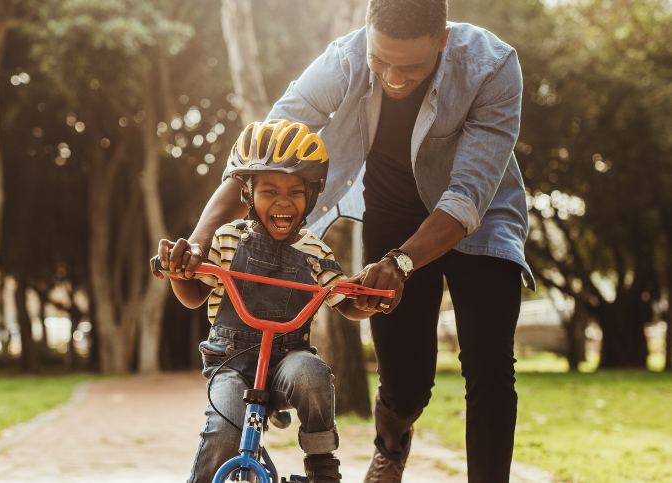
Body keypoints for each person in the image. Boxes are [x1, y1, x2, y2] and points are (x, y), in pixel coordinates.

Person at [155, 0, 536, 481]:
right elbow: (267, 149)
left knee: (489, 362)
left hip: (479, 217)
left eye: (411, 66)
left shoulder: (493, 66)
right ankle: (392, 446)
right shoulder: (344, 59)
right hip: (394, 213)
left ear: (443, 40)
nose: (394, 79)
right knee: (406, 381)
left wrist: (400, 264)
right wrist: (201, 238)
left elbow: (465, 198)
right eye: (382, 62)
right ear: (367, 35)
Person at [154, 120, 381, 483]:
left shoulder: (314, 251)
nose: (283, 201)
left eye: (295, 191)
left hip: (286, 362)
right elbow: (195, 296)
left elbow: (344, 300)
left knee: (312, 374)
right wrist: (180, 274)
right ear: (247, 193)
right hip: (231, 362)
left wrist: (366, 300)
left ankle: (322, 465)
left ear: (312, 194)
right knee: (225, 432)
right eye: (270, 190)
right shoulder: (229, 239)